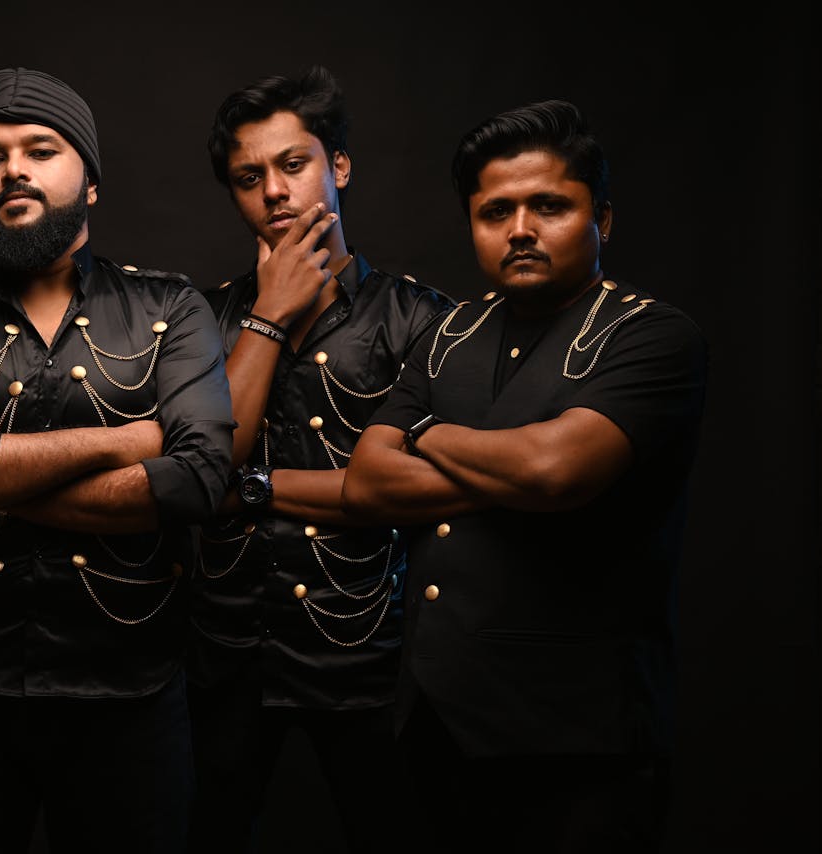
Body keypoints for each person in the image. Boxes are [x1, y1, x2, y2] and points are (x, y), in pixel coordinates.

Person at [0, 66, 233, 853]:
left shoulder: (172, 309)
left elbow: (202, 476)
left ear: (91, 182)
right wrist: (130, 438)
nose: (13, 170)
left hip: (131, 697)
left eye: (41, 148)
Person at [341, 100, 709, 853]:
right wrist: (506, 466)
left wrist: (426, 432)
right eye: (495, 211)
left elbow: (554, 468)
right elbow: (367, 484)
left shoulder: (652, 335)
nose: (519, 229)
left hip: (579, 738)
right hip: (436, 723)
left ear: (601, 220)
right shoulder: (451, 332)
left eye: (549, 206)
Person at [186, 65, 455, 853]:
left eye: (293, 164)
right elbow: (203, 474)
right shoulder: (201, 320)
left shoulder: (420, 320)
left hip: (372, 660)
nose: (273, 191)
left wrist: (260, 490)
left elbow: (426, 491)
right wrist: (268, 316)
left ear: (338, 167)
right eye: (248, 177)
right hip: (228, 659)